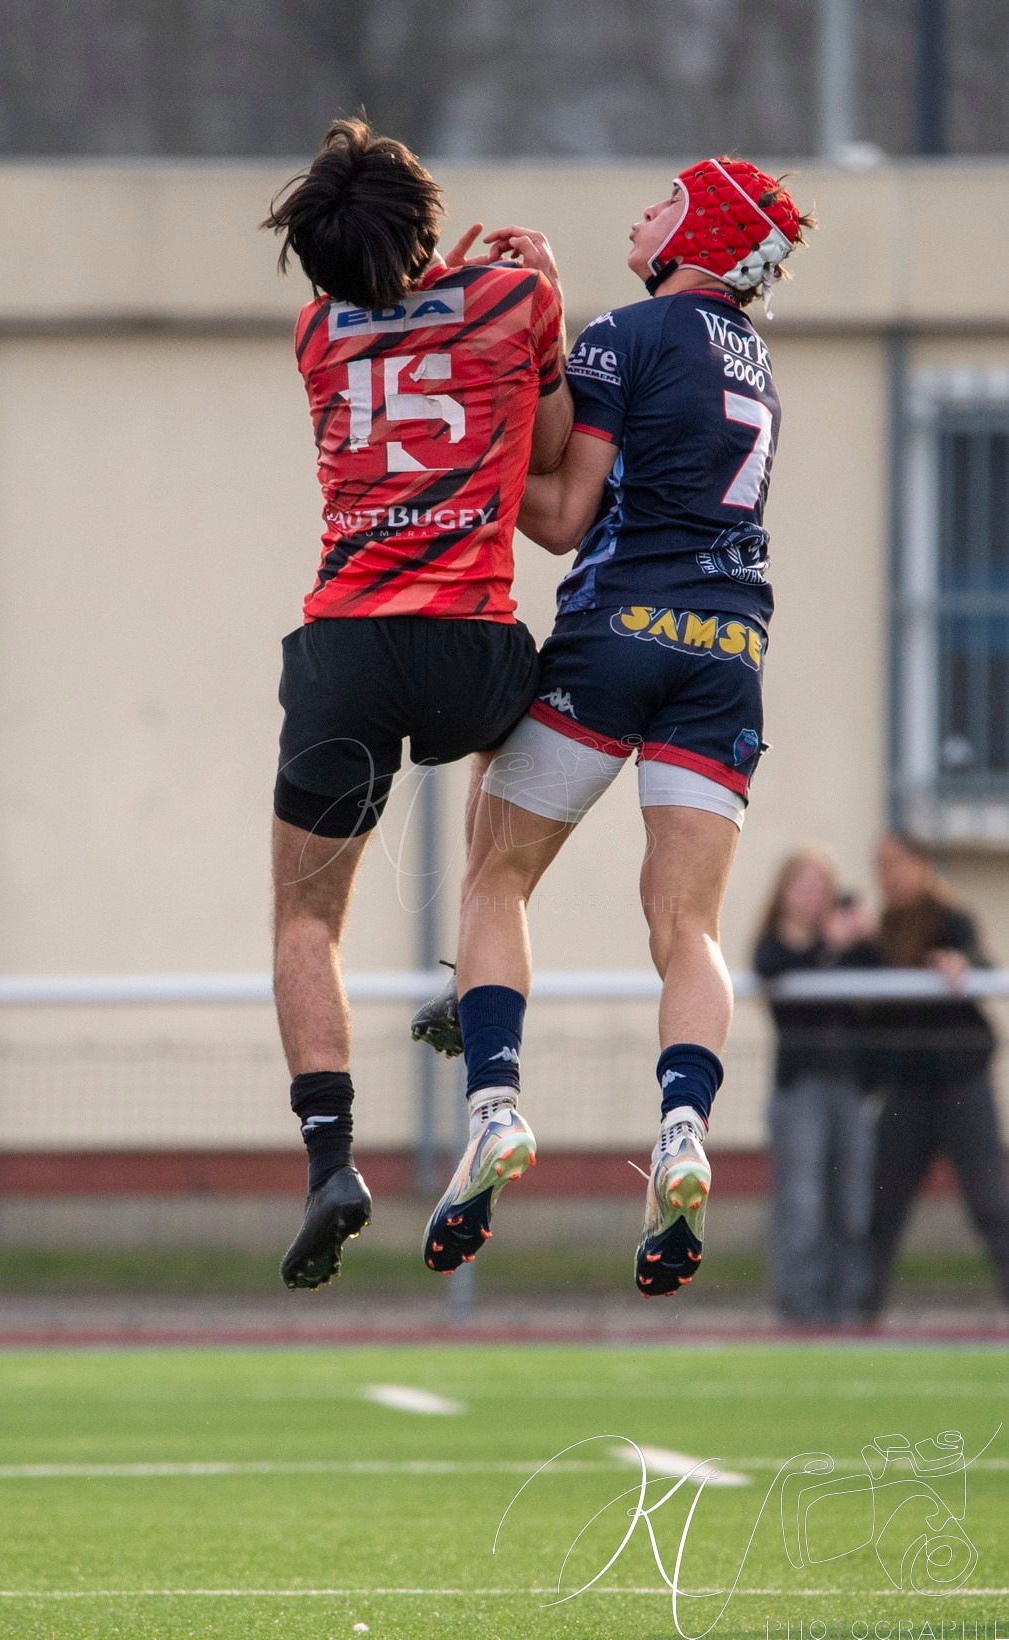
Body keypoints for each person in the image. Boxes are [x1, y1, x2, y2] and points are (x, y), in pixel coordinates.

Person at [412, 157, 816, 1296]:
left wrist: (457, 477)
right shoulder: (759, 362)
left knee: (495, 873)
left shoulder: (625, 332)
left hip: (619, 628)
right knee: (686, 923)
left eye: (660, 200)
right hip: (732, 653)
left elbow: (560, 516)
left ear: (701, 227)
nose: (641, 213)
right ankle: (684, 1129)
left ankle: (494, 1104)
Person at [263, 117, 574, 1290]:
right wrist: (536, 289)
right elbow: (547, 458)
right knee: (519, 740)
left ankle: (329, 1160)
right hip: (470, 640)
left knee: (305, 923)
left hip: (347, 644)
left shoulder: (311, 332)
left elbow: (382, 306)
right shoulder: (511, 302)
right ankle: (473, 966)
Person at [861, 831, 1009, 1319]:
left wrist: (960, 965)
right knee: (883, 1205)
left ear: (921, 863)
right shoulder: (880, 929)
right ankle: (864, 1314)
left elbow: (980, 961)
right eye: (880, 864)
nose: (887, 874)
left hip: (961, 1083)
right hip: (908, 1086)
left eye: (896, 862)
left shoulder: (952, 917)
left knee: (990, 1203)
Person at [753, 847, 878, 1324]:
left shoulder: (850, 947)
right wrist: (827, 945)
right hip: (800, 1087)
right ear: (784, 893)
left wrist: (864, 934)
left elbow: (881, 974)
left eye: (819, 886)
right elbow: (775, 968)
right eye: (802, 885)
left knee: (853, 1202)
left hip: (849, 1086)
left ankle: (847, 1306)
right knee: (802, 1202)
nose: (811, 896)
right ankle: (799, 1308)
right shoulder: (778, 946)